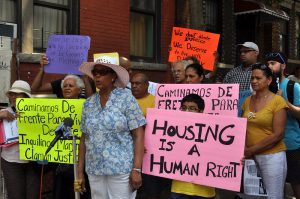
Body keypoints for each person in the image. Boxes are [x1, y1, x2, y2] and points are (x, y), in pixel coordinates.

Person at [77, 62, 146, 198]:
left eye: (102, 72)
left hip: (121, 169)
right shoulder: (88, 104)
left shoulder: (126, 99)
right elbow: (84, 137)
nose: (97, 76)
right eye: (95, 72)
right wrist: (79, 172)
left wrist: (137, 169)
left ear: (113, 76)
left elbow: (138, 134)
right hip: (94, 168)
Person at [242, 63, 287, 199]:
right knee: (252, 196)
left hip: (272, 157)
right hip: (249, 158)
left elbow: (278, 134)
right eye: (252, 78)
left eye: (258, 78)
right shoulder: (247, 101)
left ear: (269, 80)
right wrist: (245, 149)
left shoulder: (278, 101)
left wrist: (251, 150)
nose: (254, 81)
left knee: (273, 196)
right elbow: (243, 127)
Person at [266, 52, 300, 199]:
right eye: (267, 63)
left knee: (295, 183)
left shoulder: (293, 86)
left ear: (283, 66)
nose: (269, 66)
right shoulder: (263, 86)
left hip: (290, 143)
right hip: (268, 144)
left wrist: (283, 101)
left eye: (273, 63)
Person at [170, 94, 216, 199]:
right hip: (179, 188)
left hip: (204, 190)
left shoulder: (212, 131)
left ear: (201, 111)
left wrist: (236, 160)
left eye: (192, 109)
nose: (187, 111)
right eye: (184, 108)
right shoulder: (172, 130)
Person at [0, 80, 40, 199]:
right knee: (16, 195)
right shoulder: (5, 112)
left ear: (26, 97)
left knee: (32, 195)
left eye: (17, 94)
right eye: (12, 94)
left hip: (33, 162)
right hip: (11, 162)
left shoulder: (37, 112)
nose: (13, 97)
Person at [53, 74, 91, 199]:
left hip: (81, 162)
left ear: (80, 90)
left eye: (71, 86)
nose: (67, 88)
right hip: (60, 162)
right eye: (65, 86)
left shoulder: (87, 106)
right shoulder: (52, 108)